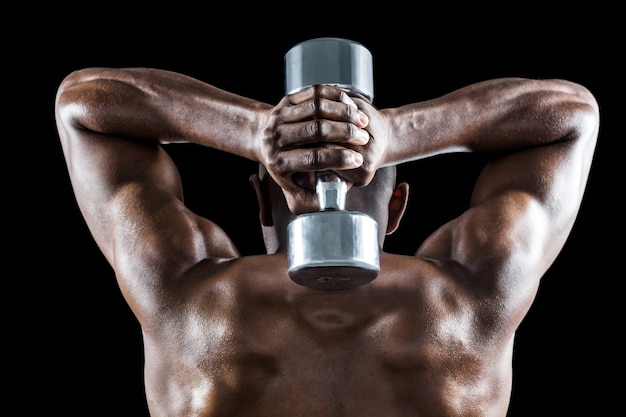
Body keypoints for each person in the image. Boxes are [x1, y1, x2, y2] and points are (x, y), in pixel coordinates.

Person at [55, 64, 599, 416]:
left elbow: (82, 106)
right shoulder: (474, 295)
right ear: (395, 207)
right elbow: (572, 116)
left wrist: (252, 130)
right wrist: (397, 132)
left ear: (261, 199)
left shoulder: (182, 292)